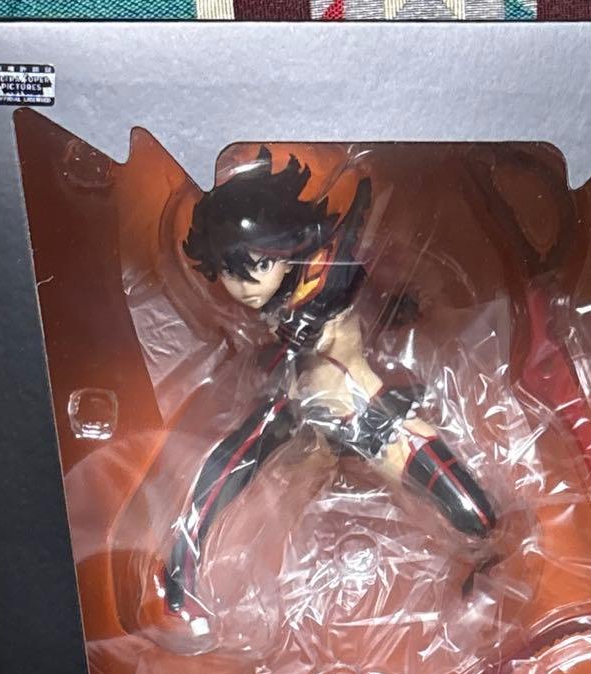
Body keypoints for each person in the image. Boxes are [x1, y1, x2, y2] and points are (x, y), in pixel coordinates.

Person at [164, 147, 496, 613]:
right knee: (226, 470)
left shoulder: (325, 280)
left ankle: (489, 570)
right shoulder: (290, 299)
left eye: (258, 266)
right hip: (299, 413)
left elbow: (342, 279)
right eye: (228, 273)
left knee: (474, 515)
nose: (243, 287)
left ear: (287, 251)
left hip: (360, 410)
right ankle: (181, 573)